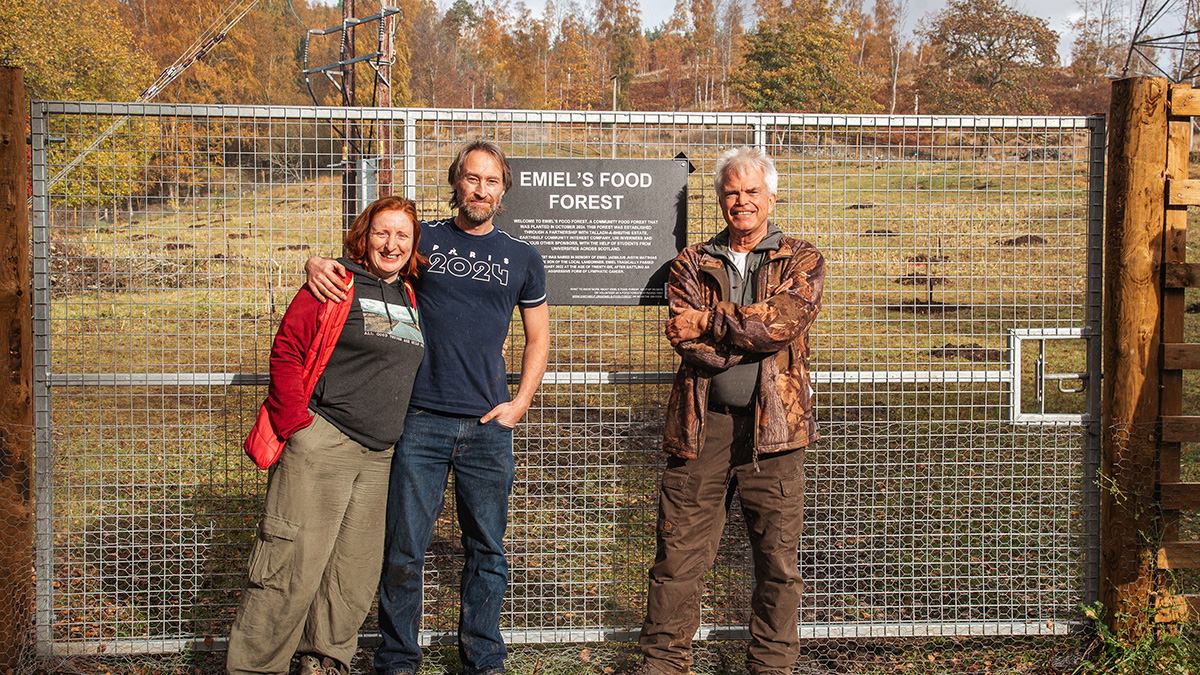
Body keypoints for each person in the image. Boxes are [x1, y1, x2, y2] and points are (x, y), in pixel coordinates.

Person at [303, 140, 550, 675]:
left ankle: (483, 658)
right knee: (405, 549)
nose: (480, 190)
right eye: (470, 178)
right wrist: (318, 261)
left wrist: (520, 402)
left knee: (486, 549)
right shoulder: (424, 242)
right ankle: (398, 659)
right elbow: (369, 266)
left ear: (503, 189)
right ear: (455, 183)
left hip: (488, 426)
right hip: (420, 421)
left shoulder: (522, 258)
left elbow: (537, 339)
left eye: (490, 181)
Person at [636, 147, 826, 675]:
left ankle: (770, 666)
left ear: (770, 196)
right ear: (719, 198)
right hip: (702, 430)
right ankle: (664, 665)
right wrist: (745, 330)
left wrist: (711, 320)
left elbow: (782, 323)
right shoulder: (693, 261)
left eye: (751, 192)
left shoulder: (801, 259)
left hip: (776, 434)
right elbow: (688, 340)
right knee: (678, 561)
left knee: (778, 563)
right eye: (730, 192)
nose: (740, 202)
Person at [226, 196, 428, 675]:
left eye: (403, 235)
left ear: (415, 244)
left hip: (380, 458)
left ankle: (322, 663)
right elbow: (287, 351)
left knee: (351, 576)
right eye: (382, 232)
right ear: (365, 233)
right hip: (323, 443)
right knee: (291, 568)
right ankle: (256, 668)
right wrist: (298, 424)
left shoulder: (411, 294)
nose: (392, 244)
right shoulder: (335, 282)